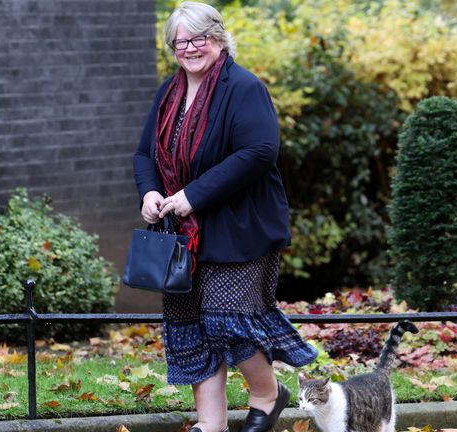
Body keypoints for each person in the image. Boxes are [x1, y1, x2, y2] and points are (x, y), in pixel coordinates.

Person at [132, 2, 318, 432]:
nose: (191, 48)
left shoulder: (243, 87)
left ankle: (267, 395)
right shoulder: (169, 92)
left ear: (218, 38)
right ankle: (210, 424)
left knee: (226, 319)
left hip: (240, 226)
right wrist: (151, 192)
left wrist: (191, 196)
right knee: (189, 324)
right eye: (181, 41)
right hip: (182, 234)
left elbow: (258, 152)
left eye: (200, 38)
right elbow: (145, 154)